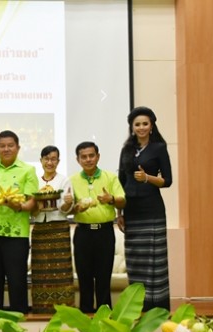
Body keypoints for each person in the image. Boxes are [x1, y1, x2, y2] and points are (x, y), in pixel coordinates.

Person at [118, 106, 172, 311]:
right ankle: (137, 308)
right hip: (131, 210)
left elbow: (167, 181)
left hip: (152, 211)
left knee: (154, 261)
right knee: (135, 260)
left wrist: (147, 178)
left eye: (145, 124)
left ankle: (156, 308)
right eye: (137, 124)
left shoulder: (159, 147)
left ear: (151, 126)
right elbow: (121, 181)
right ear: (132, 127)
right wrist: (119, 213)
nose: (141, 127)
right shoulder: (127, 149)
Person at [0, 130, 38, 313]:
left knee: (16, 278)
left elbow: (32, 202)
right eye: (2, 146)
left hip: (16, 233)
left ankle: (19, 315)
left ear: (18, 147)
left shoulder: (28, 170)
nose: (6, 149)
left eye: (10, 145)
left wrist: (18, 206)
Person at [70, 141, 125, 313]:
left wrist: (111, 199)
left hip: (105, 232)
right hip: (83, 233)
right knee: (84, 277)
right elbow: (66, 207)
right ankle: (85, 313)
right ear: (78, 160)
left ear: (98, 156)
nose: (88, 160)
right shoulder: (72, 180)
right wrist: (74, 208)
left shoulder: (110, 177)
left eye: (91, 155)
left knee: (103, 277)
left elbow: (122, 199)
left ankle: (105, 314)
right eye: (83, 157)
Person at [30, 145, 76, 313]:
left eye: (53, 159)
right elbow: (32, 210)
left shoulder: (64, 180)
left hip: (59, 228)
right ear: (41, 161)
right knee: (40, 271)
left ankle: (64, 308)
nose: (50, 162)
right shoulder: (34, 181)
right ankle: (41, 308)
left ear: (58, 161)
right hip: (39, 229)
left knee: (62, 271)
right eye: (46, 159)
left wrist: (68, 202)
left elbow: (65, 210)